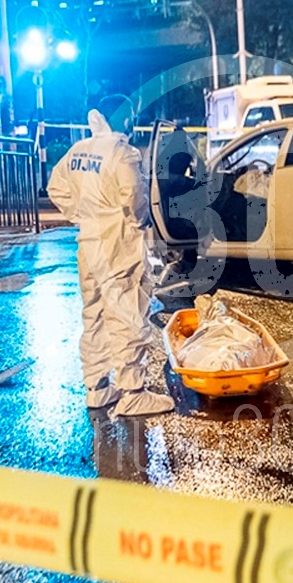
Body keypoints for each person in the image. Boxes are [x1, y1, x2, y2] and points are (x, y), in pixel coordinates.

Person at [47, 96, 175, 417]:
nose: (132, 121)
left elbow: (56, 187)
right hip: (118, 246)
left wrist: (83, 216)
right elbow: (134, 196)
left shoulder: (80, 151)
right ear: (123, 118)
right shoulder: (123, 153)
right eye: (130, 116)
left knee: (95, 315)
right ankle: (133, 392)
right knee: (128, 313)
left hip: (88, 247)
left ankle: (98, 388)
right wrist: (136, 222)